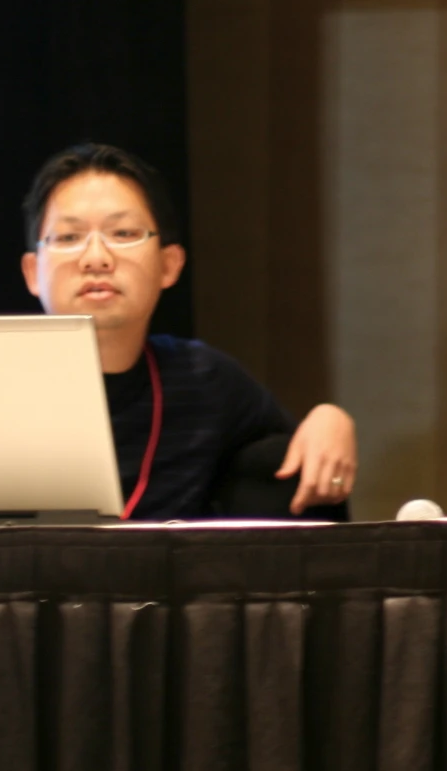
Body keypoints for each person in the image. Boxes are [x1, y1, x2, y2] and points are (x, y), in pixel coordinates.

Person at [21, 144, 357, 518]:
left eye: (123, 232)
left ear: (169, 265)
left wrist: (330, 418)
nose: (96, 257)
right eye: (69, 238)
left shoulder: (203, 380)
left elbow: (290, 451)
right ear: (33, 273)